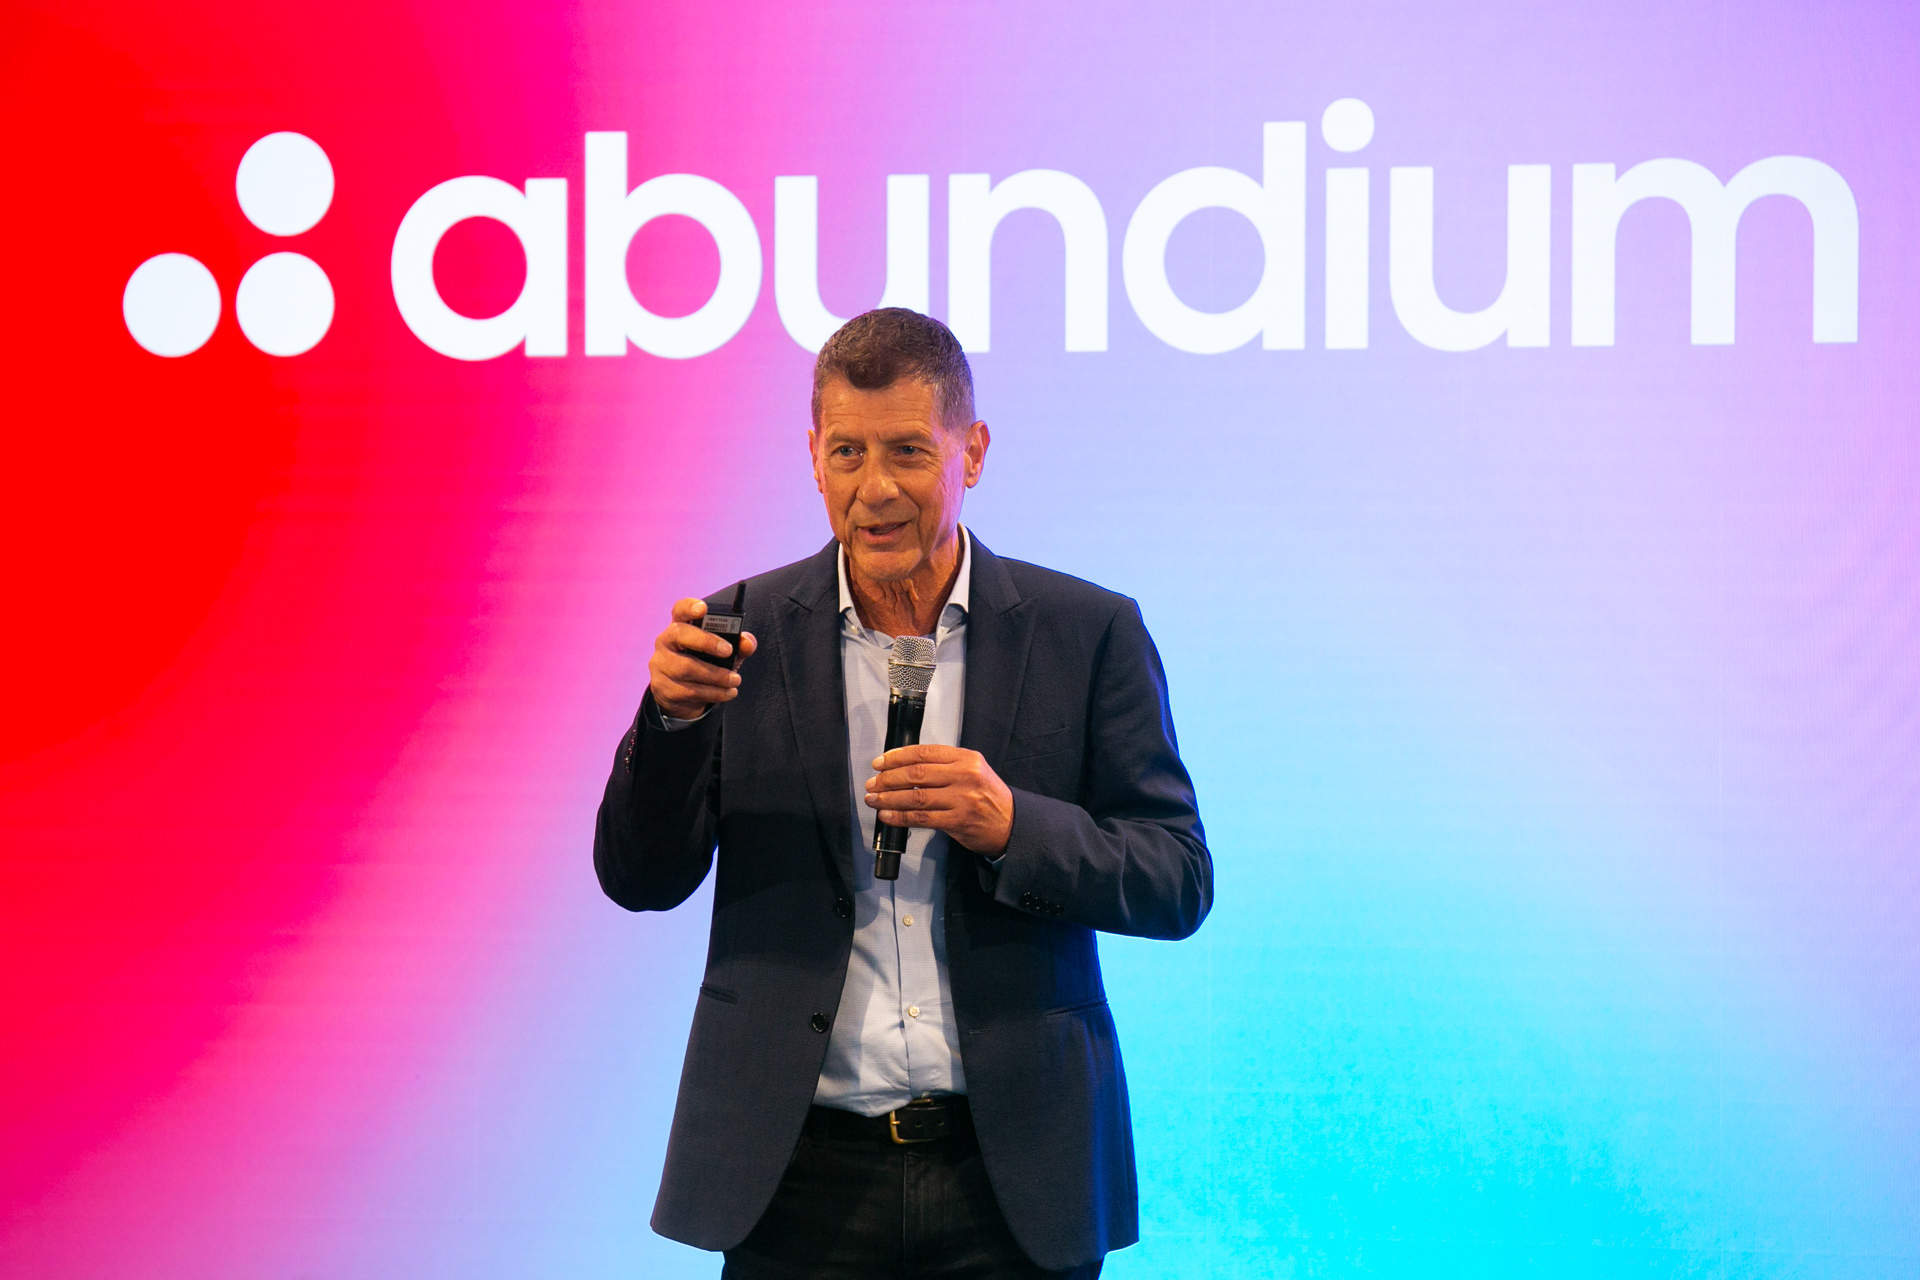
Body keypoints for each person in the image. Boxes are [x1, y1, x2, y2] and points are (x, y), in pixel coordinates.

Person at [594, 308, 1210, 1278]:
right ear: (813, 457)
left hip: (1014, 1178)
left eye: (909, 452)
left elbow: (1178, 880)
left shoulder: (1087, 631)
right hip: (796, 1181)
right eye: (847, 451)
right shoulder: (735, 636)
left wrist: (1013, 826)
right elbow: (641, 879)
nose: (874, 487)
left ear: (974, 452)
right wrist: (670, 722)